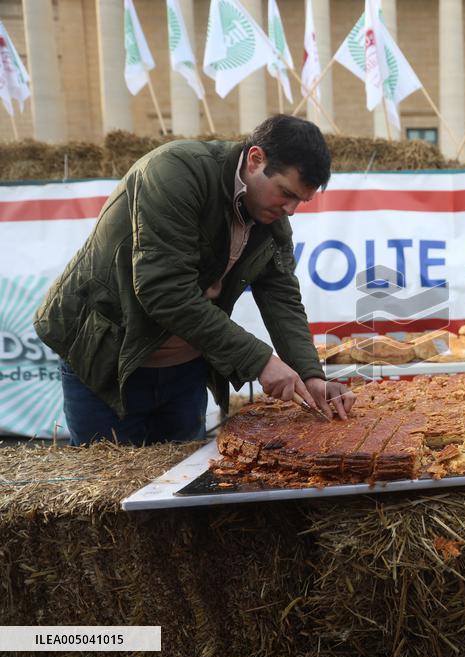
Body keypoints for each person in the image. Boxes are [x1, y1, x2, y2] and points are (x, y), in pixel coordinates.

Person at [34, 114, 354, 446]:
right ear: (256, 160)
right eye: (286, 193)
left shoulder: (272, 217)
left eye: (300, 200)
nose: (291, 209)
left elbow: (283, 298)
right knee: (109, 489)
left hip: (184, 369)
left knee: (179, 488)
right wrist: (260, 360)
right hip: (106, 357)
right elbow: (164, 291)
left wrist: (311, 375)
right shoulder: (173, 172)